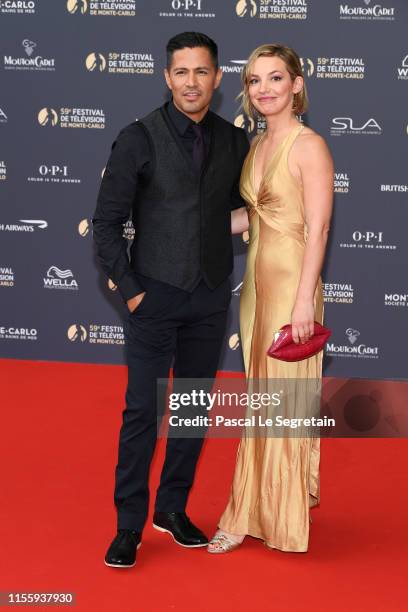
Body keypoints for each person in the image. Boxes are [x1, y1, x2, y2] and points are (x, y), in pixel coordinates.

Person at [92, 31, 249, 568]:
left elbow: (228, 213)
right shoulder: (137, 137)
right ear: (166, 77)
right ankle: (129, 526)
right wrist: (133, 294)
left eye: (201, 72)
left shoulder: (233, 141)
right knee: (143, 413)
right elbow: (107, 227)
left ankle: (173, 509)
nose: (191, 82)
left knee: (189, 411)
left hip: (208, 300)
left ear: (217, 78)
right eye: (181, 72)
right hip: (153, 298)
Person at [207, 43, 333, 553]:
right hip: (255, 294)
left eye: (275, 78)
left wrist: (304, 303)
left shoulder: (309, 146)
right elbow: (249, 220)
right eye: (255, 80)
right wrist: (182, 230)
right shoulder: (254, 146)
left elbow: (319, 228)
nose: (263, 89)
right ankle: (251, 508)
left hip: (291, 290)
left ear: (296, 85)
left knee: (283, 404)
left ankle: (271, 517)